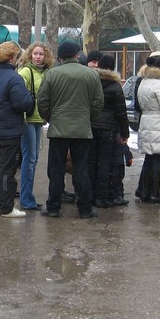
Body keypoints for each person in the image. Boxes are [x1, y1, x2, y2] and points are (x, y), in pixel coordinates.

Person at [38, 41, 105, 219]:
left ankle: (53, 207)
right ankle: (85, 208)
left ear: (60, 57)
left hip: (58, 129)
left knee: (56, 169)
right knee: (81, 169)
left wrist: (50, 118)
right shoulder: (91, 75)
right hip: (82, 129)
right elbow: (99, 102)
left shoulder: (51, 74)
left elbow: (42, 101)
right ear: (77, 55)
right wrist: (87, 118)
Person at [0, 41, 34, 218]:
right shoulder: (14, 79)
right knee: (6, 170)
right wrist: (30, 99)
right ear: (12, 58)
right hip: (9, 131)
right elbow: (23, 104)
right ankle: (6, 207)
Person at [16, 42, 55, 210]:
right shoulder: (25, 72)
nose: (38, 57)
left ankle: (28, 196)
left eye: (41, 54)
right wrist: (23, 117)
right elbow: (19, 96)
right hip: (27, 119)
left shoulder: (46, 72)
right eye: (35, 54)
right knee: (29, 159)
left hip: (39, 119)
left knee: (34, 158)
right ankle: (26, 199)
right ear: (30, 55)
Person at [89, 55, 130, 207]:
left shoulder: (92, 83)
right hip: (109, 129)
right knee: (105, 163)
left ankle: (90, 195)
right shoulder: (115, 86)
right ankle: (102, 197)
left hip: (92, 126)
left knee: (92, 162)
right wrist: (125, 133)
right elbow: (121, 112)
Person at [136, 52, 160, 204]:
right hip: (158, 122)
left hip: (146, 121)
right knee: (157, 158)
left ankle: (145, 191)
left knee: (149, 158)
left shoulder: (143, 82)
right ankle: (154, 193)